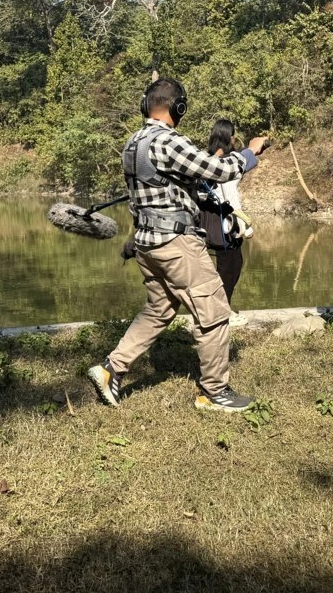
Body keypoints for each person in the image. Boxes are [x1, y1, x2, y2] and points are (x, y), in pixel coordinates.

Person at [87, 77, 269, 413]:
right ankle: (215, 391)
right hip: (176, 243)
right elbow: (217, 169)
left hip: (147, 243)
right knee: (213, 310)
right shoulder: (167, 141)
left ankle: (111, 369)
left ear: (147, 105)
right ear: (177, 107)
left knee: (159, 309)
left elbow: (174, 179)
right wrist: (249, 154)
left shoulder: (133, 143)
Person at [200, 119, 253, 327]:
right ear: (228, 137)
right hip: (224, 222)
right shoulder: (227, 161)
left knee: (221, 268)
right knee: (231, 266)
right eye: (233, 135)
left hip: (206, 221)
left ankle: (216, 310)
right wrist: (245, 224)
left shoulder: (206, 158)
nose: (234, 139)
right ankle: (224, 313)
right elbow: (230, 195)